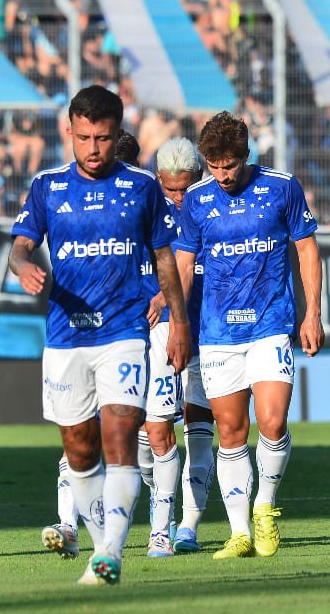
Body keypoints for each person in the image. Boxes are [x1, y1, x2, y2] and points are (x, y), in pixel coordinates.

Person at [10, 85, 189, 585]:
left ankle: (111, 550)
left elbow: (164, 259)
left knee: (120, 436)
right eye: (84, 137)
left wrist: (180, 323)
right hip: (67, 338)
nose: (93, 148)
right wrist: (24, 267)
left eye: (104, 138)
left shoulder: (142, 187)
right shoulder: (47, 186)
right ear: (69, 131)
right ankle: (98, 548)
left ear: (118, 133)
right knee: (79, 451)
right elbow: (20, 247)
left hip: (124, 332)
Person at [172, 112, 324, 560]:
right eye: (214, 165)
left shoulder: (282, 187)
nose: (222, 175)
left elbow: (307, 249)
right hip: (217, 334)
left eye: (229, 166)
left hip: (270, 325)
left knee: (273, 421)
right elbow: (183, 264)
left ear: (245, 155)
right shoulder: (196, 200)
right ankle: (239, 532)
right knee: (232, 432)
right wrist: (178, 322)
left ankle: (265, 507)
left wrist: (312, 313)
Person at [112, 131, 187, 558]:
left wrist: (166, 303)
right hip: (116, 332)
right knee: (126, 437)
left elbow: (181, 263)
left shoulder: (164, 208)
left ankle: (161, 528)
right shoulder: (96, 210)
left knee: (159, 431)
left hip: (157, 330)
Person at [153, 137, 214, 554]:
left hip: (209, 330)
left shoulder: (213, 207)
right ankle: (161, 514)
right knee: (154, 431)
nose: (178, 197)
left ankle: (187, 526)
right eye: (170, 189)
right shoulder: (147, 210)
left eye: (185, 187)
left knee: (200, 431)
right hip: (161, 330)